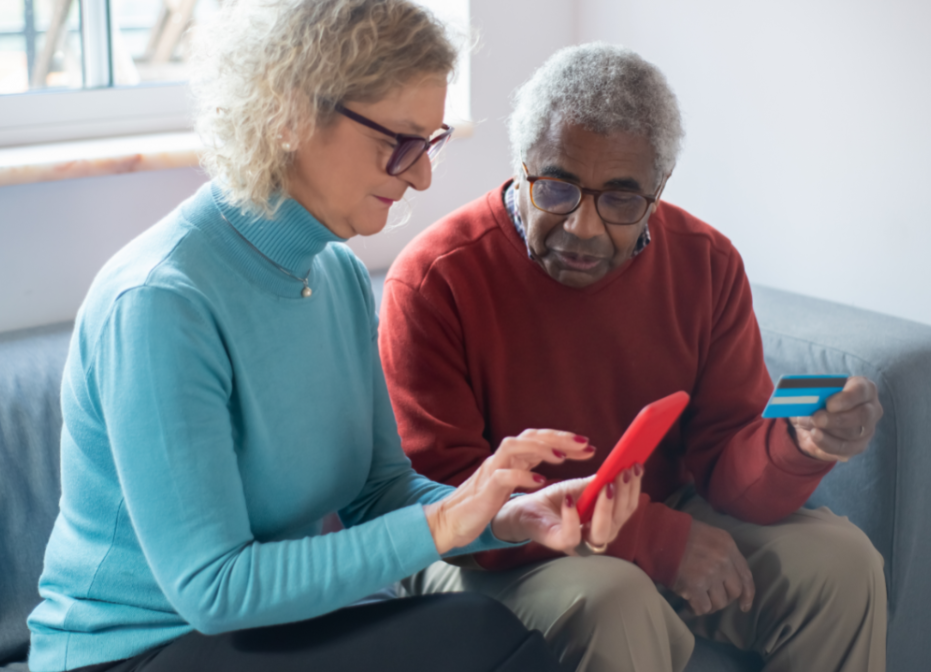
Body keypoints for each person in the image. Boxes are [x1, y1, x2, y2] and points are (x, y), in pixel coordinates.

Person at [26, 0, 642, 672]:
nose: (420, 178)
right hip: (134, 654)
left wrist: (503, 513)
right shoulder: (162, 303)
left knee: (482, 631)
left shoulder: (338, 275)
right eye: (400, 143)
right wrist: (446, 522)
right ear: (288, 114)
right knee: (479, 638)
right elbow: (213, 589)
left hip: (260, 635)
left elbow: (377, 493)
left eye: (430, 143)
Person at [379, 42, 887, 672]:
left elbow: (728, 462)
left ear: (658, 188)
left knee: (843, 563)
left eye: (621, 200)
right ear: (522, 166)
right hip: (482, 545)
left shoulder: (706, 262)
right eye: (558, 189)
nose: (584, 227)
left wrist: (800, 446)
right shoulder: (435, 279)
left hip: (660, 504)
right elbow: (448, 497)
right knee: (615, 598)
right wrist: (649, 539)